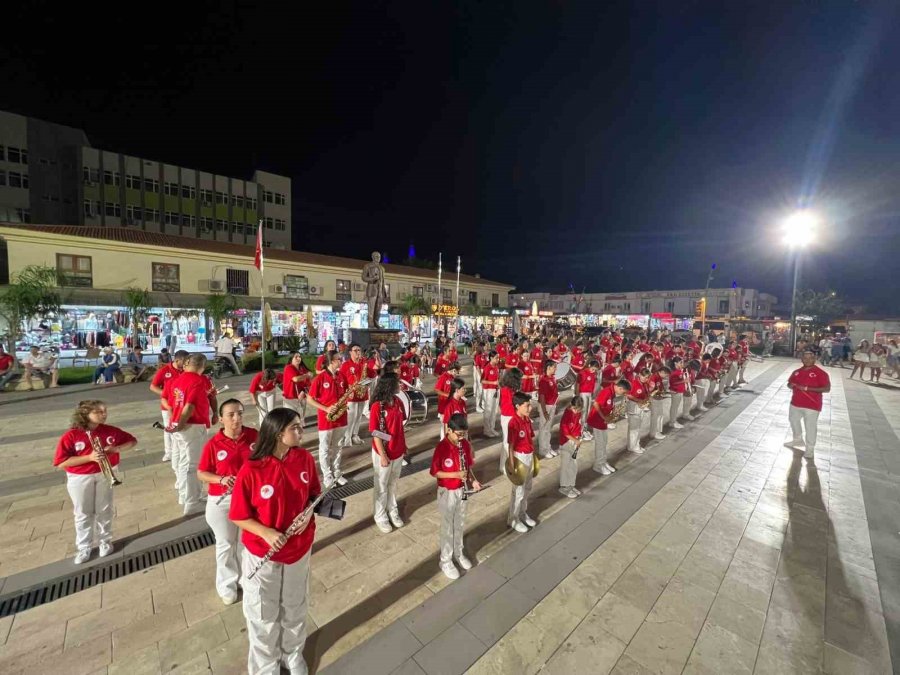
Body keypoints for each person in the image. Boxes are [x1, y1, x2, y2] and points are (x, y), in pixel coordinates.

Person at [229, 408, 320, 675]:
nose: (301, 431)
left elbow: (314, 492)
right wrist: (267, 533)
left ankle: (292, 654)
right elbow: (238, 515)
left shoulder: (304, 458)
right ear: (279, 433)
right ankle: (265, 665)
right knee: (262, 614)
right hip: (262, 554)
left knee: (295, 606)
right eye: (295, 428)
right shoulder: (252, 468)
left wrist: (309, 513)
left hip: (298, 550)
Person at [53, 399, 137, 564]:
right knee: (83, 512)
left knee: (104, 508)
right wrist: (89, 457)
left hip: (105, 473)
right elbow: (61, 462)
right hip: (80, 477)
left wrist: (116, 449)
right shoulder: (71, 435)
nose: (104, 414)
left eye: (104, 411)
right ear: (85, 414)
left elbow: (132, 441)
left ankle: (105, 540)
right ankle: (84, 547)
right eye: (98, 412)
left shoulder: (110, 431)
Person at [197, 399, 257, 604]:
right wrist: (221, 479)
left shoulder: (254, 436)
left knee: (245, 543)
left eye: (240, 413)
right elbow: (201, 473)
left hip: (249, 498)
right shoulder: (213, 444)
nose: (236, 418)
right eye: (231, 414)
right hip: (221, 500)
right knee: (225, 544)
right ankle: (226, 585)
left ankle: (245, 579)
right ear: (220, 419)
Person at [431, 413, 480, 579]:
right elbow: (436, 472)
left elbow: (468, 467)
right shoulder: (442, 447)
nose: (461, 438)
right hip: (447, 492)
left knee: (459, 522)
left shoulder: (464, 444)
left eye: (464, 434)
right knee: (447, 527)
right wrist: (455, 475)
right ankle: (445, 560)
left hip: (462, 490)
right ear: (449, 430)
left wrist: (473, 481)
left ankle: (458, 554)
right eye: (459, 434)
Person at [167, 353, 213, 515]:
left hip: (179, 424)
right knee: (193, 465)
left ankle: (185, 495)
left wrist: (175, 423)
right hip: (191, 425)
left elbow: (174, 403)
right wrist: (180, 424)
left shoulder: (177, 380)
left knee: (183, 461)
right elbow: (190, 406)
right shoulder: (198, 381)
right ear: (203, 366)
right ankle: (192, 502)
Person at [369, 373, 407, 533]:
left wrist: (403, 445)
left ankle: (392, 509)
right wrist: (383, 455)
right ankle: (380, 515)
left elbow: (400, 425)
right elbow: (375, 432)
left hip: (398, 450)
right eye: (398, 382)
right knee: (381, 485)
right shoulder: (378, 406)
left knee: (393, 483)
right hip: (383, 452)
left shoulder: (398, 402)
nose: (401, 384)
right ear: (390, 385)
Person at [308, 350, 349, 488]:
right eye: (338, 359)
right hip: (326, 418)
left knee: (338, 446)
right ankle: (327, 475)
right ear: (331, 361)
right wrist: (326, 409)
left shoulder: (342, 376)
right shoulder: (319, 379)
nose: (341, 361)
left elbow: (347, 393)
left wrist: (345, 403)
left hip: (341, 417)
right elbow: (310, 399)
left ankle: (336, 471)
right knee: (325, 448)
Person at [785, 350, 831, 461]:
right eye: (805, 358)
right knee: (793, 420)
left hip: (812, 405)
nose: (807, 360)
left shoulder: (821, 373)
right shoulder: (797, 372)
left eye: (810, 358)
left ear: (814, 359)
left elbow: (827, 389)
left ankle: (810, 448)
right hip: (796, 403)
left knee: (810, 427)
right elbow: (789, 384)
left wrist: (807, 388)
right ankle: (798, 439)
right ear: (801, 359)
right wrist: (791, 385)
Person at [150, 349, 189, 463]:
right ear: (178, 360)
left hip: (182, 405)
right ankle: (169, 452)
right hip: (167, 406)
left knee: (181, 428)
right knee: (168, 428)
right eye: (185, 361)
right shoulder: (165, 370)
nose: (187, 364)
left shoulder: (186, 371)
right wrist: (167, 394)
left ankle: (181, 450)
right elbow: (153, 386)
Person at [506, 392, 537, 533]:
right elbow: (511, 446)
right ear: (517, 406)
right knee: (518, 491)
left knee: (527, 488)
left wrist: (533, 457)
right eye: (527, 405)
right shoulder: (513, 423)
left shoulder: (527, 420)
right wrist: (512, 466)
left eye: (530, 405)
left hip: (529, 456)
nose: (530, 408)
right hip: (520, 457)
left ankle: (522, 513)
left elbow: (530, 439)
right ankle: (513, 518)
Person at [588, 378, 631, 475]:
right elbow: (596, 404)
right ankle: (598, 465)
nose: (623, 394)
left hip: (603, 421)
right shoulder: (606, 392)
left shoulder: (612, 392)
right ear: (619, 388)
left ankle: (603, 462)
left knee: (604, 442)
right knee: (600, 444)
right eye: (623, 392)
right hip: (597, 421)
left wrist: (611, 414)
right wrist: (604, 417)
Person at [339, 344, 369, 447]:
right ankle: (347, 438)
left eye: (359, 350)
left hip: (362, 393)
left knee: (359, 416)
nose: (358, 352)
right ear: (350, 352)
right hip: (351, 394)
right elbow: (341, 379)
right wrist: (346, 390)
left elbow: (371, 375)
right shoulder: (345, 365)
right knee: (351, 417)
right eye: (355, 350)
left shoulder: (364, 363)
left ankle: (354, 435)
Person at [557, 397, 584, 499]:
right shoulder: (567, 415)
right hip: (566, 442)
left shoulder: (578, 413)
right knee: (566, 465)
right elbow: (565, 432)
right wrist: (575, 440)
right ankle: (564, 486)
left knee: (573, 465)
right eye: (575, 409)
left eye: (579, 409)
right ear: (571, 406)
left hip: (574, 441)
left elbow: (578, 426)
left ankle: (571, 485)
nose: (577, 411)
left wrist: (579, 437)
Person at [498, 367, 523, 471]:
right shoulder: (506, 390)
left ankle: (504, 465)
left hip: (511, 416)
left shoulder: (512, 389)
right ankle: (506, 466)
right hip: (508, 417)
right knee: (508, 442)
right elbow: (509, 405)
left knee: (509, 441)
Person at [537, 360, 559, 458]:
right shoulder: (544, 380)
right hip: (546, 406)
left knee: (548, 428)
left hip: (552, 405)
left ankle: (548, 446)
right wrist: (544, 411)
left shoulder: (553, 378)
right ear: (548, 368)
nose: (556, 369)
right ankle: (543, 449)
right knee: (544, 428)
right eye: (554, 367)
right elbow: (542, 397)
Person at [626, 369, 651, 454]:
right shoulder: (633, 383)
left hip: (641, 407)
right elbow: (628, 395)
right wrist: (638, 400)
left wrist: (647, 400)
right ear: (639, 374)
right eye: (644, 376)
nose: (645, 378)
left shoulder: (645, 384)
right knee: (634, 428)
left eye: (647, 377)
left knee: (638, 427)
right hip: (634, 407)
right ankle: (633, 446)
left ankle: (636, 444)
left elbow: (647, 394)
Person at [282, 352, 312, 421]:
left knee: (301, 418)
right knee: (291, 419)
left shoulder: (303, 368)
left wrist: (303, 392)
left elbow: (308, 382)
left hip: (302, 396)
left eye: (299, 356)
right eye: (296, 357)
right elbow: (295, 379)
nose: (299, 358)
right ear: (291, 359)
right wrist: (307, 375)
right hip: (290, 398)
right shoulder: (289, 367)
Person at [576, 360, 599, 438]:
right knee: (584, 411)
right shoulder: (583, 373)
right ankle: (581, 430)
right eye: (593, 369)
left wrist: (592, 394)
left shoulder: (594, 374)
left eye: (595, 370)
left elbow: (592, 385)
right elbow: (578, 384)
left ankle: (584, 428)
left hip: (589, 394)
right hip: (583, 393)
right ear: (589, 365)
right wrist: (577, 395)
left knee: (588, 411)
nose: (594, 371)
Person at [481, 351, 501, 438]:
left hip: (496, 390)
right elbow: (482, 381)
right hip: (489, 390)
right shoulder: (487, 368)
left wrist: (499, 384)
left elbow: (498, 379)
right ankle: (486, 430)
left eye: (498, 357)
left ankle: (492, 428)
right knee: (488, 410)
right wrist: (493, 382)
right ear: (491, 358)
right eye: (496, 358)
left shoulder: (496, 367)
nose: (498, 359)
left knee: (494, 410)